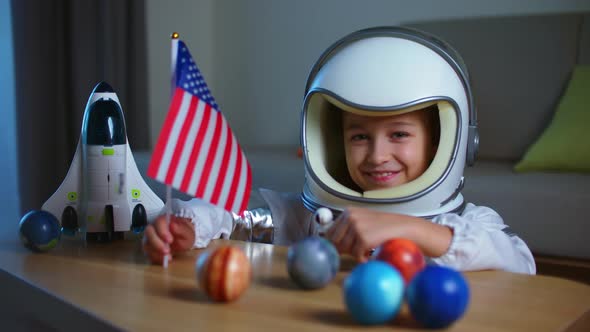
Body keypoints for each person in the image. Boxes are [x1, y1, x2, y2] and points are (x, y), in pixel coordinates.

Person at [142, 26, 536, 274]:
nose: (378, 155)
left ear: (442, 143)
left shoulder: (466, 222)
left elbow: (520, 262)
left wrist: (411, 228)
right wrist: (187, 223)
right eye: (359, 136)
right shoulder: (303, 217)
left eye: (399, 134)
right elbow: (235, 216)